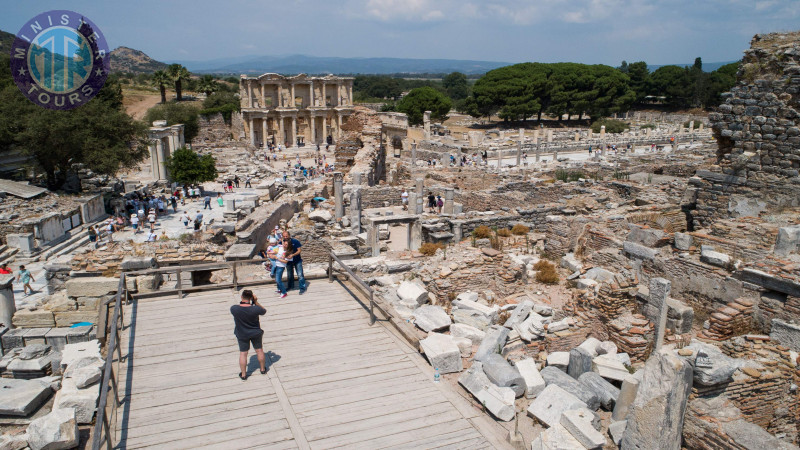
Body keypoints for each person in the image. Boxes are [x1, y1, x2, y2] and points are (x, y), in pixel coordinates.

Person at [230, 290, 267, 380]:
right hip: (255, 333)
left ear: (242, 297)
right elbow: (263, 311)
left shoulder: (234, 309)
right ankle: (262, 369)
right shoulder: (255, 309)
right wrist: (255, 301)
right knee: (259, 350)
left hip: (242, 334)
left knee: (243, 353)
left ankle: (243, 374)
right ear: (251, 298)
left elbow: (238, 307)